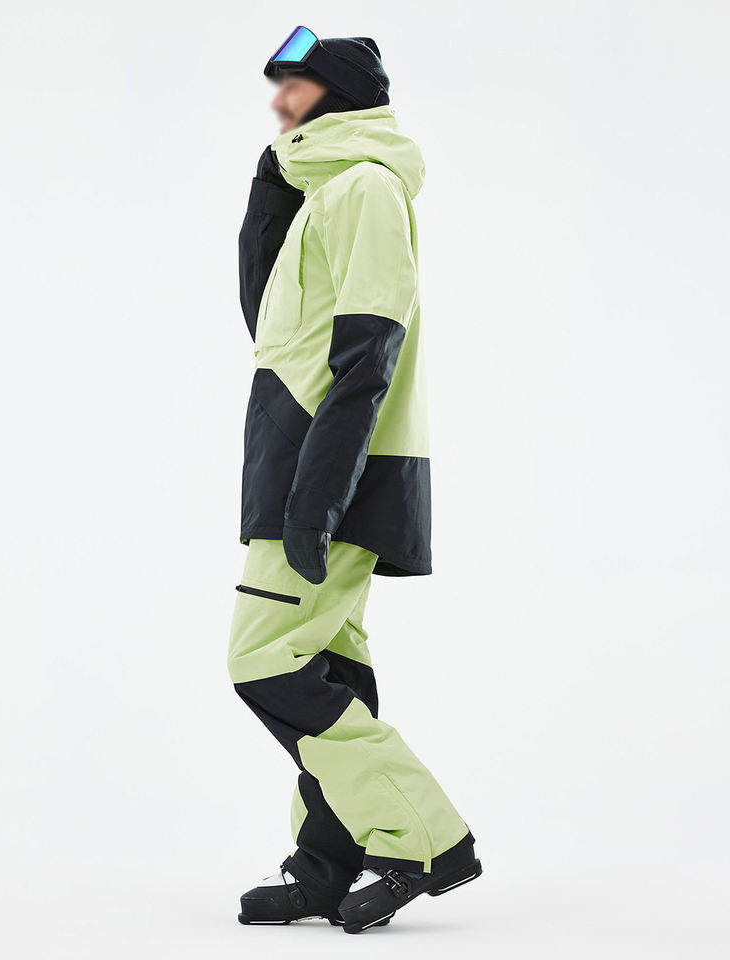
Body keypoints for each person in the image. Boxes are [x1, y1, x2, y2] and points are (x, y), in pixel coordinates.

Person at [229, 26, 482, 934]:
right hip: (301, 461)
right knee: (328, 662)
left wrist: (318, 497)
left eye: (292, 87)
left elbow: (369, 352)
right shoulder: (323, 193)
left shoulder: (367, 188)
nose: (277, 103)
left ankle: (423, 834)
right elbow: (268, 321)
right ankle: (326, 862)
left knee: (263, 659)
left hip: (326, 471)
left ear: (332, 94)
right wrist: (270, 189)